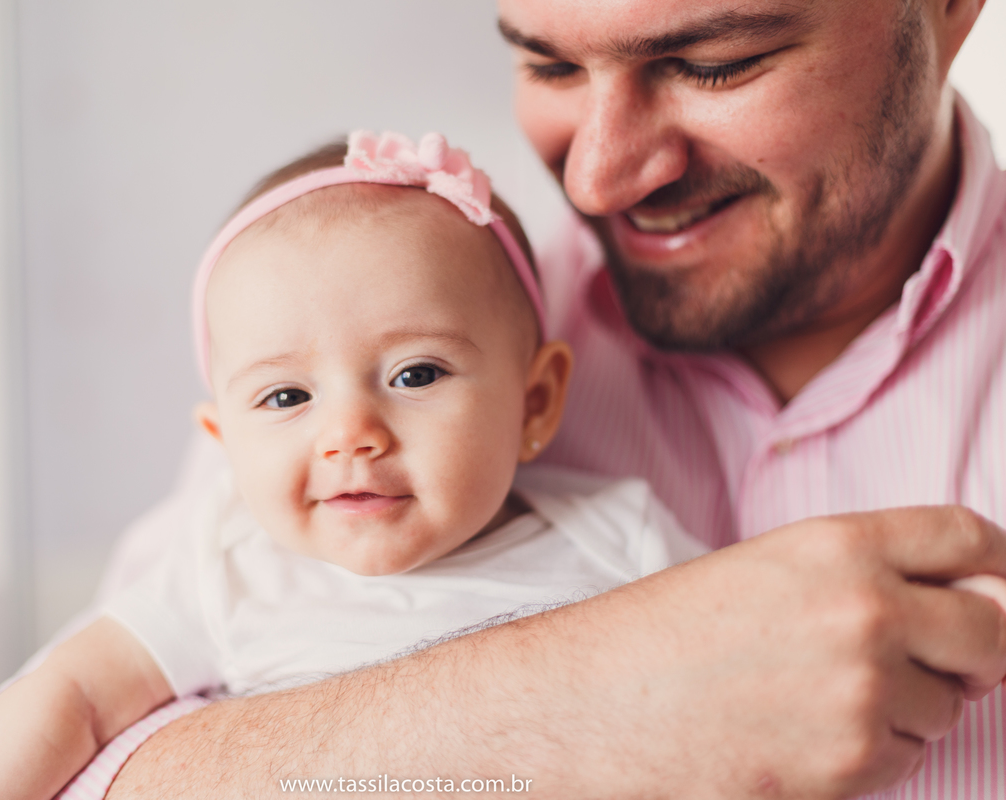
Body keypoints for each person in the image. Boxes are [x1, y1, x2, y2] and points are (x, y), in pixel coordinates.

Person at [89, 0, 1006, 797]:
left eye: (712, 64)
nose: (595, 180)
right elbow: (91, 767)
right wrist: (573, 703)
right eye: (549, 63)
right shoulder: (380, 322)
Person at [0, 132, 709, 800]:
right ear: (223, 445)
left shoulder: (621, 541)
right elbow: (71, 699)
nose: (350, 435)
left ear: (534, 403)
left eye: (415, 375)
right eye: (287, 396)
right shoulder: (224, 570)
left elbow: (746, 706)